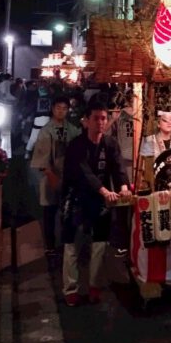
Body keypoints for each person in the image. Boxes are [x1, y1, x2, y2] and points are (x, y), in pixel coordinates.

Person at [61, 99, 129, 306]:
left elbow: (119, 168)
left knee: (100, 244)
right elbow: (84, 174)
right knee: (71, 245)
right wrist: (105, 191)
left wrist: (124, 187)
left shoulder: (110, 144)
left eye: (104, 118)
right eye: (96, 118)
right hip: (76, 198)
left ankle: (94, 286)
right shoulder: (76, 145)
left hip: (101, 200)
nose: (100, 122)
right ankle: (70, 289)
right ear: (86, 121)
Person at [30, 94, 79, 254]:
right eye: (58, 108)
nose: (61, 111)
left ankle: (66, 242)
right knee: (49, 212)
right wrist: (50, 174)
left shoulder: (71, 129)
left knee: (67, 211)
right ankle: (50, 244)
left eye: (64, 109)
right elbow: (42, 157)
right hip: (50, 176)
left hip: (68, 177)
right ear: (53, 109)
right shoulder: (46, 131)